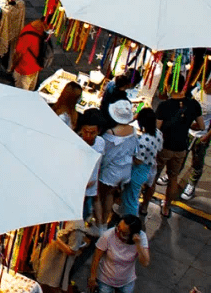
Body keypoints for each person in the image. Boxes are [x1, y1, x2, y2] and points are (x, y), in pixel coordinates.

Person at [154, 84, 205, 217]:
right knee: (173, 178)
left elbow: (156, 129)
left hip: (164, 146)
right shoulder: (194, 104)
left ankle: (144, 205)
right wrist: (187, 124)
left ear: (169, 85)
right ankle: (166, 207)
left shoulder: (164, 106)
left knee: (154, 175)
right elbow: (201, 126)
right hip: (181, 147)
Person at [98, 100, 136, 229]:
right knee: (112, 194)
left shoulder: (111, 134)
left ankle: (102, 223)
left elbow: (106, 156)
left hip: (111, 172)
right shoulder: (132, 130)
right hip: (125, 169)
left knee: (105, 196)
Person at [87, 215, 149, 293]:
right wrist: (92, 277)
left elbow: (145, 262)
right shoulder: (108, 235)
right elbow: (96, 258)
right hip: (105, 280)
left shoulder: (141, 238)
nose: (118, 233)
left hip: (126, 281)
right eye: (118, 227)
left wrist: (138, 245)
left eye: (123, 233)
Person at [120, 107, 161, 217]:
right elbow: (159, 149)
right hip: (150, 168)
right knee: (132, 195)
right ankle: (124, 213)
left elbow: (138, 160)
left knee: (131, 199)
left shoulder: (143, 140)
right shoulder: (158, 133)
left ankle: (131, 220)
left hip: (139, 171)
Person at [37, 219, 88, 293]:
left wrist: (54, 238)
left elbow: (72, 251)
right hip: (50, 260)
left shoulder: (77, 225)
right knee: (44, 286)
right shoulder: (62, 218)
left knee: (52, 288)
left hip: (58, 266)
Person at [78, 108, 107, 224]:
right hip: (76, 190)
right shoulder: (76, 143)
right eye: (86, 131)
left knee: (83, 217)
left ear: (99, 131)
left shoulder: (101, 143)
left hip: (89, 190)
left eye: (92, 132)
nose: (88, 135)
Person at [11, 18, 48, 90]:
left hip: (35, 70)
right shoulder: (27, 34)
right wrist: (13, 66)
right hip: (24, 72)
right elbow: (18, 54)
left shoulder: (43, 31)